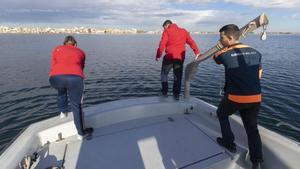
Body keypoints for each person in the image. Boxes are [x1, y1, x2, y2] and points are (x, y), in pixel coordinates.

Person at [213, 24, 263, 169]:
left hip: (236, 98)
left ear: (229, 37)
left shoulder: (223, 54)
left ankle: (229, 142)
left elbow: (216, 58)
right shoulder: (256, 52)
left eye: (221, 37)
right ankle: (257, 161)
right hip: (255, 98)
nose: (219, 40)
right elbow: (259, 74)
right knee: (252, 128)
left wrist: (223, 47)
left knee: (221, 114)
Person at [49, 35, 93, 140]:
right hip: (75, 79)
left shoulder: (57, 49)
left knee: (61, 90)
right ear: (75, 44)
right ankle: (81, 133)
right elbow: (81, 67)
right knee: (76, 105)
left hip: (55, 78)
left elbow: (53, 65)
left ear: (64, 43)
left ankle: (63, 111)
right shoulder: (81, 52)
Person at [156, 20, 200, 100]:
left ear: (167, 25)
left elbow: (162, 44)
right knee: (177, 77)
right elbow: (191, 42)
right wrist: (197, 52)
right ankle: (176, 95)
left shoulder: (167, 31)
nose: (164, 29)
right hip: (179, 59)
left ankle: (164, 92)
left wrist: (158, 55)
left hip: (169, 58)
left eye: (164, 27)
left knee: (164, 75)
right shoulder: (184, 31)